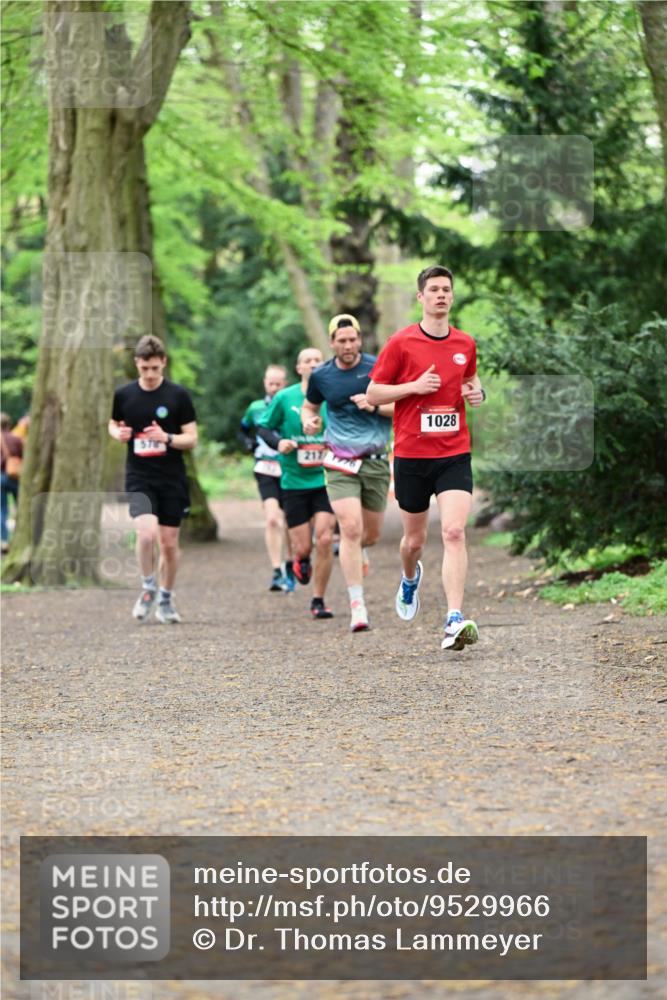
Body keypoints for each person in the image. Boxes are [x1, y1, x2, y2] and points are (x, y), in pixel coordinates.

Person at [366, 265, 485, 651]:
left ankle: (453, 619)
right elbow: (373, 394)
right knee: (414, 540)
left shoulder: (465, 343)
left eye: (446, 289)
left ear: (452, 296)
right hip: (412, 455)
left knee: (453, 531)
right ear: (421, 297)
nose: (440, 295)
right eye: (433, 289)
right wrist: (414, 386)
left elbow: (470, 379)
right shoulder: (401, 343)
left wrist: (476, 393)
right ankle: (409, 577)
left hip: (454, 452)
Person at [302, 315, 393, 632]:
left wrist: (374, 405)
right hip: (339, 461)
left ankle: (363, 550)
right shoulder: (322, 375)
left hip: (376, 461)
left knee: (370, 535)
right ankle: (358, 606)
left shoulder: (378, 366)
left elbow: (402, 406)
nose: (349, 345)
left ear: (359, 339)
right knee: (350, 530)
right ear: (332, 343)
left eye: (353, 339)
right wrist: (308, 421)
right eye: (342, 340)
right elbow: (310, 407)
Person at [108, 335, 198, 624]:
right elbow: (113, 423)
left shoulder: (178, 396)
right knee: (146, 534)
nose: (149, 375)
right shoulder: (124, 395)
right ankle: (148, 586)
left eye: (154, 369)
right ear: (137, 364)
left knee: (169, 545)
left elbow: (191, 438)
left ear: (163, 364)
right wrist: (117, 433)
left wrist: (167, 438)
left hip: (171, 478)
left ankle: (166, 599)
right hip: (139, 476)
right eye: (144, 368)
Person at [257, 348, 336, 620]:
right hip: (293, 481)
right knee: (303, 546)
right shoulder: (284, 397)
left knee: (325, 539)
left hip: (326, 478)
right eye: (307, 361)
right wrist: (279, 443)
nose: (313, 365)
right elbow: (264, 427)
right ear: (299, 367)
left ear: (324, 366)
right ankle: (301, 560)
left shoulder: (333, 394)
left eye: (317, 360)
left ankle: (319, 600)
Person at [239, 365, 295, 592]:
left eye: (278, 384)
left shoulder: (292, 404)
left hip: (290, 468)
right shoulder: (255, 408)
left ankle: (292, 564)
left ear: (285, 384)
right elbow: (242, 429)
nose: (273, 388)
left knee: (292, 522)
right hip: (265, 467)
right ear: (265, 383)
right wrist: (248, 444)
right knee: (273, 519)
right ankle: (276, 570)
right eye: (270, 383)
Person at [1, 413, 23, 553]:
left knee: (1, 510)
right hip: (15, 477)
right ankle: (19, 538)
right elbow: (24, 456)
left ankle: (4, 541)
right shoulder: (16, 439)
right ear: (8, 425)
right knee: (21, 507)